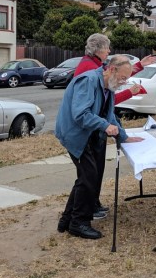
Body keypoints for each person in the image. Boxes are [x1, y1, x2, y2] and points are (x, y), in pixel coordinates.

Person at [55, 55, 144, 239]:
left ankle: (67, 220)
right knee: (89, 177)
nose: (123, 82)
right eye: (122, 78)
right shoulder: (88, 81)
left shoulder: (108, 86)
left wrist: (123, 136)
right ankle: (79, 223)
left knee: (87, 177)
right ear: (111, 70)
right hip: (75, 134)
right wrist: (104, 126)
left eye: (126, 79)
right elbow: (80, 114)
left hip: (88, 134)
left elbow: (109, 115)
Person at [73, 33, 156, 220]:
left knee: (93, 173)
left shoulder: (95, 65)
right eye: (107, 47)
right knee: (88, 176)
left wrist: (140, 66)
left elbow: (116, 77)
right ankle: (83, 213)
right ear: (99, 49)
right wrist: (129, 92)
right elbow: (104, 102)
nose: (109, 50)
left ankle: (85, 209)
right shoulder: (89, 70)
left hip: (97, 127)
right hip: (89, 130)